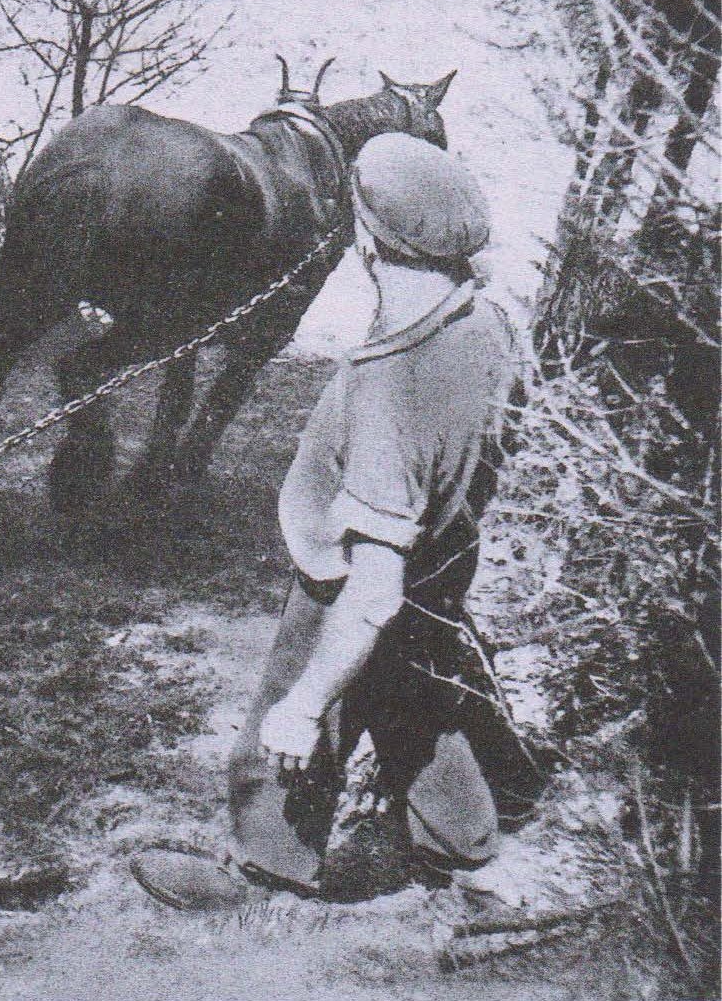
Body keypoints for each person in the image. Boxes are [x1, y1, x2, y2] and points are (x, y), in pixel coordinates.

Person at [131, 133, 546, 907]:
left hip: (345, 579)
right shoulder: (484, 325)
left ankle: (264, 868)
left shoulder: (390, 384)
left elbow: (370, 596)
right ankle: (465, 850)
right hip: (440, 558)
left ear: (367, 239)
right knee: (411, 695)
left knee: (289, 719)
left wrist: (304, 705)